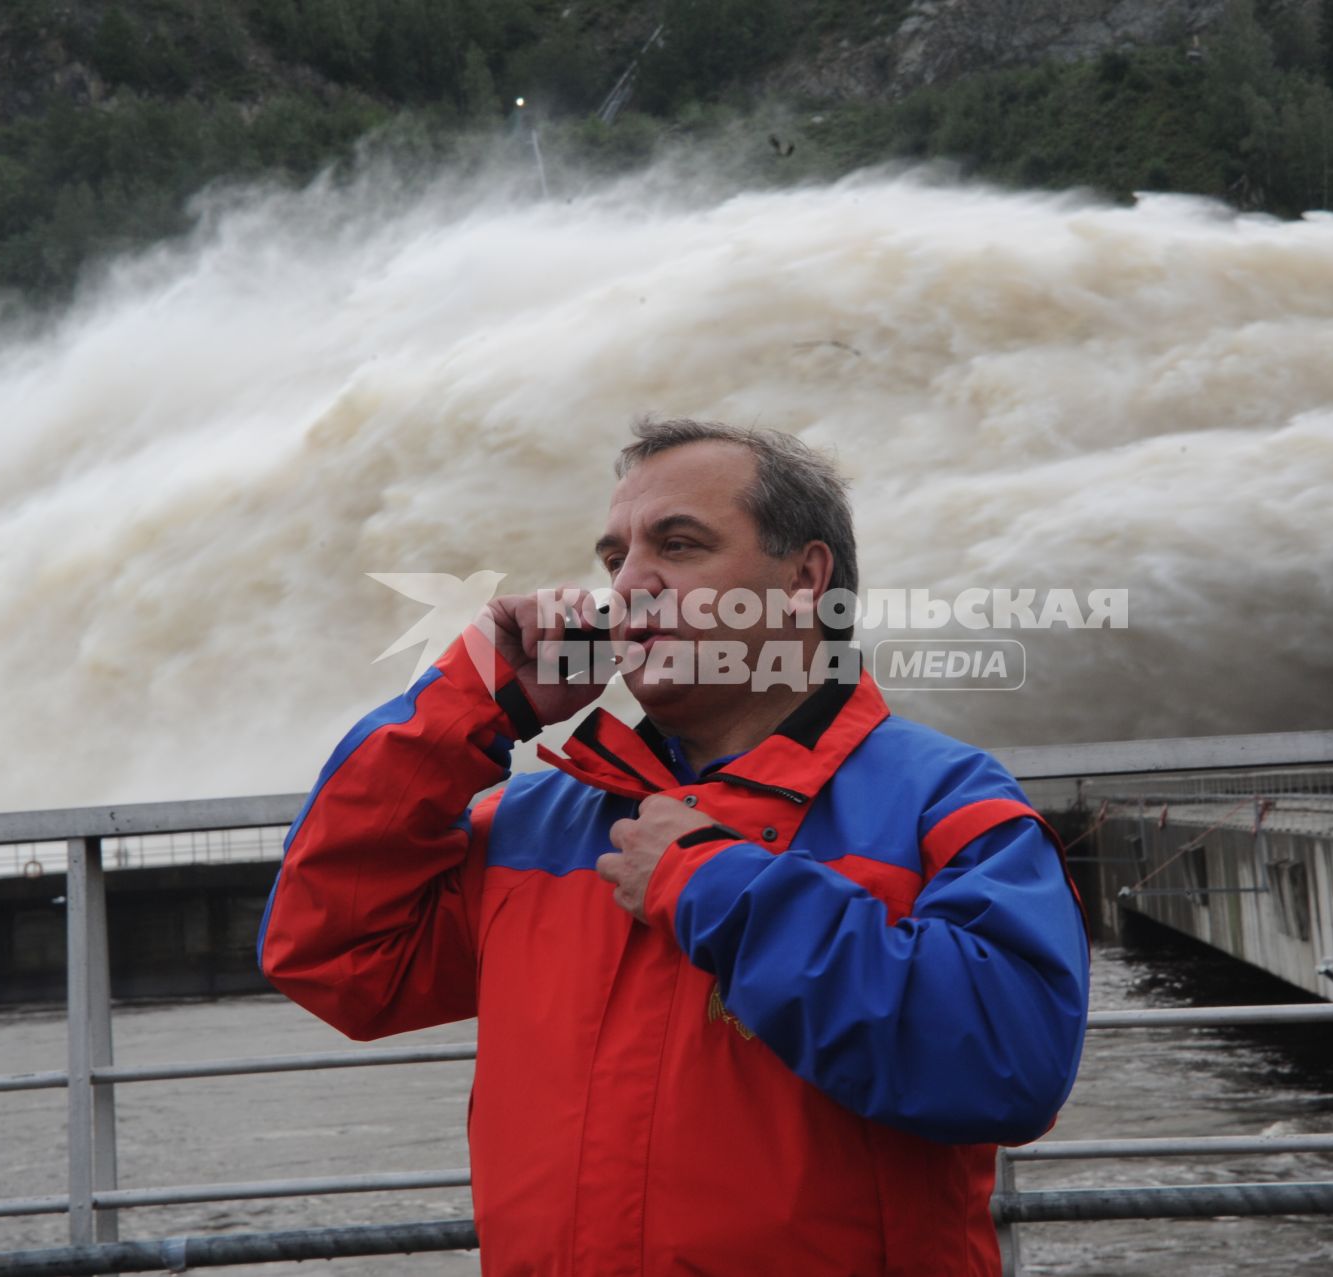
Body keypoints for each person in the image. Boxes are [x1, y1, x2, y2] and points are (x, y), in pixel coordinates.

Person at [258, 418, 1091, 1275]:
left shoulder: (946, 802)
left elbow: (1010, 1063)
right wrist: (473, 703)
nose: (629, 586)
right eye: (614, 559)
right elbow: (334, 955)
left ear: (805, 580)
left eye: (679, 545)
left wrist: (723, 889)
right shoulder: (536, 819)